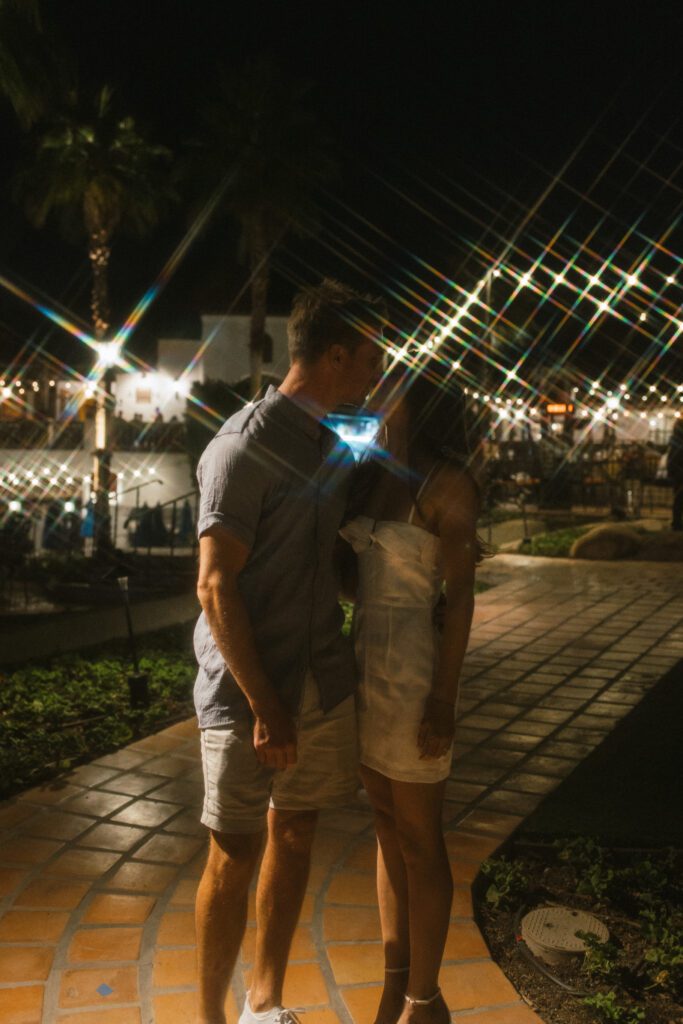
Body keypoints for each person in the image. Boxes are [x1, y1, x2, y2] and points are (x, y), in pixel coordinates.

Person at [193, 279, 386, 1024]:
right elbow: (215, 587)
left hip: (318, 677)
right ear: (334, 356)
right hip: (250, 692)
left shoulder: (328, 446)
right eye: (370, 358)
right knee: (233, 852)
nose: (375, 373)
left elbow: (323, 562)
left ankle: (264, 1000)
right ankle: (209, 1017)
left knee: (296, 829)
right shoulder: (242, 447)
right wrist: (264, 704)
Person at [340, 355, 482, 1024]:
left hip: (413, 675)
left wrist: (444, 701)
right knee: (384, 828)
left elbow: (459, 600)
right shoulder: (372, 479)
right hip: (365, 670)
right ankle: (395, 978)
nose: (374, 396)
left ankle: (426, 1000)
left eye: (388, 389)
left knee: (421, 838)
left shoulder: (446, 483)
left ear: (415, 402)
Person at [667, 418, 683, 531]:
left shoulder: (675, 441)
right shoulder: (678, 441)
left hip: (677, 472)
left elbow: (672, 459)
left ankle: (677, 522)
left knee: (678, 498)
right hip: (679, 472)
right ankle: (676, 523)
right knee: (679, 498)